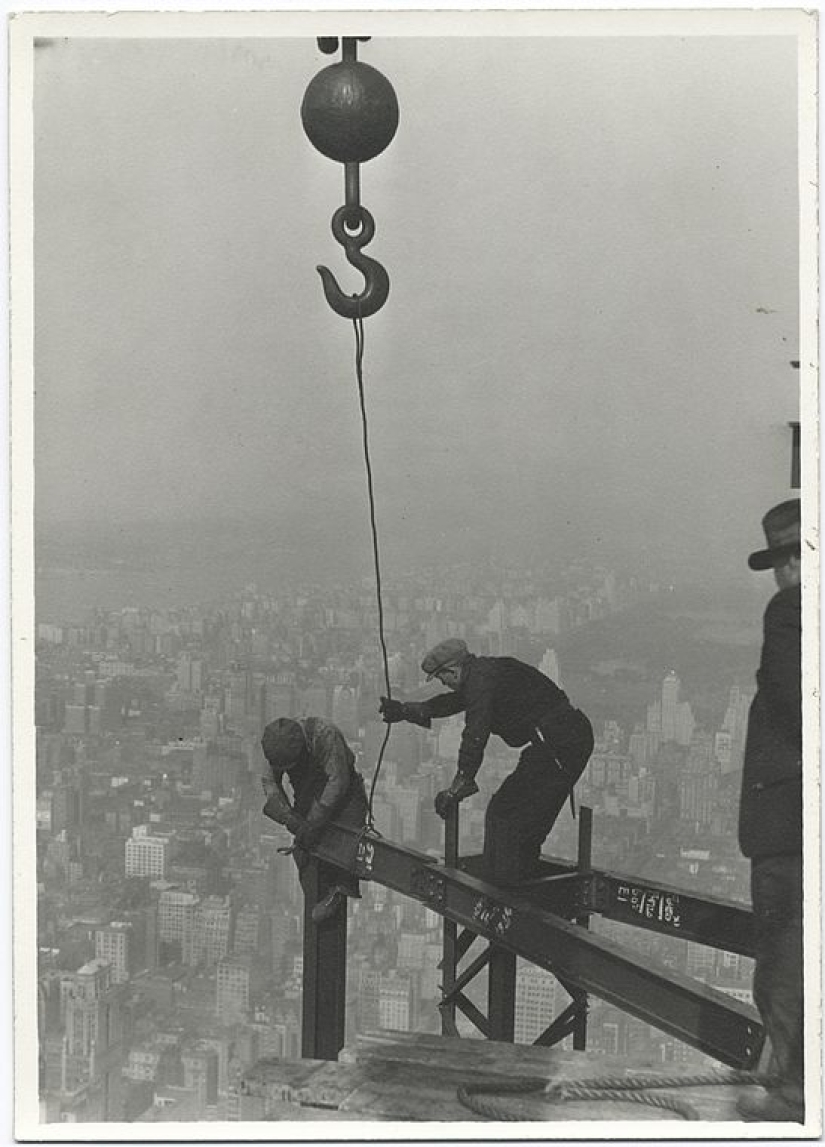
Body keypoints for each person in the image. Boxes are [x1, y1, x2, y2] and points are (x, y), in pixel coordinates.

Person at [380, 638, 593, 883]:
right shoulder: (483, 674)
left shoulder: (480, 680)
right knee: (516, 818)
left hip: (559, 744)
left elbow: (475, 733)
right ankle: (515, 882)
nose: (445, 685)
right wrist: (404, 711)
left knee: (507, 815)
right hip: (562, 741)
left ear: (453, 670)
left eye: (443, 678)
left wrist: (460, 784)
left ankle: (508, 889)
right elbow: (451, 703)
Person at [736, 498, 804, 1123]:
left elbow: (791, 700)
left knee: (783, 950)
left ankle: (788, 1090)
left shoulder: (792, 610)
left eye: (789, 557)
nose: (785, 573)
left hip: (789, 826)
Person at [260, 716, 368, 924]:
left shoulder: (325, 735)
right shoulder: (275, 745)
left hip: (346, 798)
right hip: (308, 795)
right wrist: (286, 814)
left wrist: (313, 822)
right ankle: (317, 896)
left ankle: (341, 889)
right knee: (305, 850)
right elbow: (269, 781)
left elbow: (338, 782)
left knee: (344, 847)